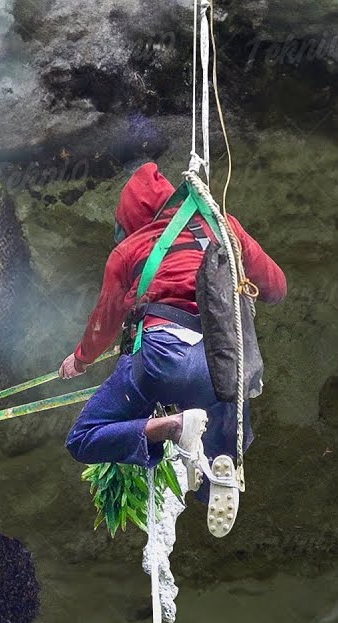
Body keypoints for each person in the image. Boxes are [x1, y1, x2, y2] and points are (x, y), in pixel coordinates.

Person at [59, 162, 287, 536]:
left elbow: (105, 321)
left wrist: (80, 360)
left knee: (83, 438)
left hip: (163, 356)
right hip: (224, 367)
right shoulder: (225, 227)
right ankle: (218, 467)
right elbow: (275, 288)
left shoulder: (131, 248)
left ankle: (172, 426)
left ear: (130, 218)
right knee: (221, 433)